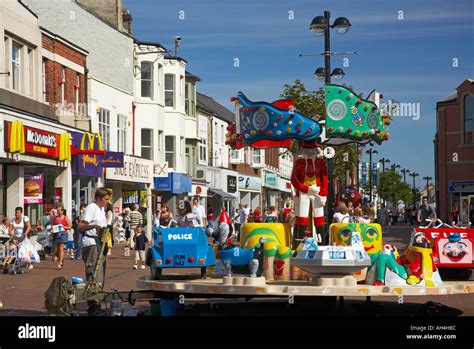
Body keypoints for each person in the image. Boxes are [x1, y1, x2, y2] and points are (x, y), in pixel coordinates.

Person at [77, 187, 111, 316]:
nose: (108, 201)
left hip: (100, 244)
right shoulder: (91, 207)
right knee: (94, 275)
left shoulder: (101, 209)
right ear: (98, 198)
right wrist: (94, 226)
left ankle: (96, 303)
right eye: (105, 199)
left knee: (100, 276)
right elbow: (81, 226)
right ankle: (93, 305)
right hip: (91, 244)